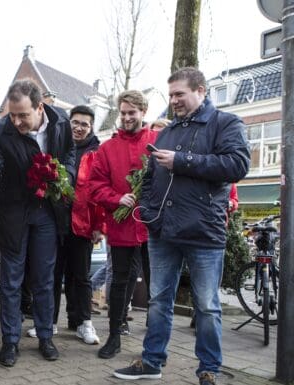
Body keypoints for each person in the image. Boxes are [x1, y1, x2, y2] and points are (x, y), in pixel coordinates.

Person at [113, 67, 250, 385]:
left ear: (201, 91)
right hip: (163, 231)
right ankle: (151, 362)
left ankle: (208, 369)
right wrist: (148, 209)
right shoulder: (167, 131)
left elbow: (238, 165)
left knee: (207, 305)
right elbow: (150, 176)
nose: (173, 100)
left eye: (179, 94)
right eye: (170, 94)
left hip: (204, 231)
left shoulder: (226, 123)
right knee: (158, 299)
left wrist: (182, 160)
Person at [0, 79, 76, 367]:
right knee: (11, 280)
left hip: (47, 211)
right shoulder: (1, 130)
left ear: (40, 107)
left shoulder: (61, 121)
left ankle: (45, 336)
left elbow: (71, 154)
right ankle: (10, 341)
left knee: (45, 279)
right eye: (12, 114)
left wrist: (65, 178)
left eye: (23, 115)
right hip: (14, 212)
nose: (17, 121)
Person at [84, 90, 157, 359]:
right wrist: (117, 198)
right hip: (122, 226)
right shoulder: (107, 149)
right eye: (123, 113)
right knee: (119, 283)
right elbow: (94, 186)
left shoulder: (156, 141)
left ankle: (157, 343)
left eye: (132, 113)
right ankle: (114, 336)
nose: (126, 117)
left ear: (143, 112)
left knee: (157, 285)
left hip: (153, 227)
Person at [26, 105, 103, 345]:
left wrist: (99, 226)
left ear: (91, 128)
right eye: (75, 122)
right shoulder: (57, 145)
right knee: (52, 273)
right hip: (55, 220)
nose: (79, 128)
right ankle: (48, 322)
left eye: (85, 124)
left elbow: (100, 189)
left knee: (81, 275)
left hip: (83, 223)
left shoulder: (97, 153)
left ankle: (83, 322)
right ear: (68, 124)